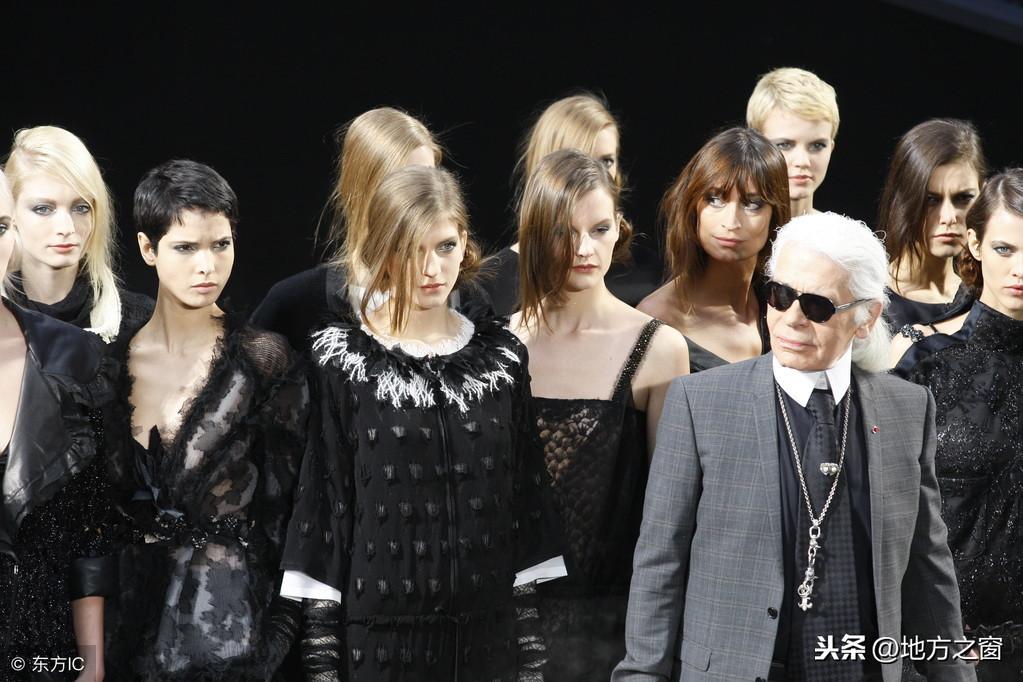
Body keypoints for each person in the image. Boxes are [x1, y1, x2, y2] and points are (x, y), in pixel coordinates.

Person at [614, 212, 974, 682]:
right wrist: (642, 674)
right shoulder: (700, 403)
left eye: (818, 306)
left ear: (866, 318)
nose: (791, 319)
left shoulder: (908, 408)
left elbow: (927, 566)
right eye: (780, 296)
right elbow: (660, 560)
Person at [280, 165, 563, 680]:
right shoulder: (341, 361)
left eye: (446, 246)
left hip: (489, 642)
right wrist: (322, 664)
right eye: (411, 249)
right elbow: (323, 510)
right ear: (383, 251)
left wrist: (531, 660)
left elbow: (523, 504)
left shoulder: (502, 359)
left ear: (465, 244)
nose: (431, 268)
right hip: (380, 646)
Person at [103, 160, 307, 680]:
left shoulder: (264, 361)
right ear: (148, 249)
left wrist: (278, 638)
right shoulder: (107, 365)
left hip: (233, 640)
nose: (207, 266)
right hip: (126, 638)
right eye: (185, 247)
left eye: (221, 244)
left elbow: (296, 511)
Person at [511, 149, 689, 679]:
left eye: (599, 229)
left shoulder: (659, 349)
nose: (584, 249)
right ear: (535, 236)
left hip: (613, 631)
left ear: (619, 230)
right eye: (564, 233)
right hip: (505, 626)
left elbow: (669, 518)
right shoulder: (500, 345)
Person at [895, 169, 1023, 680]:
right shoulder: (923, 359)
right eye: (1005, 249)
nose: (1020, 269)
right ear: (974, 243)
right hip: (945, 647)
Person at [0, 169, 115, 680]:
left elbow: (89, 530)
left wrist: (90, 666)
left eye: (0, 227)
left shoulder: (72, 355)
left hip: (42, 652)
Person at [250, 107, 443, 351]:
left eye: (428, 179)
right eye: (401, 182)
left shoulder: (466, 300)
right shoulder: (296, 302)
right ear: (361, 190)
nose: (421, 196)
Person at [480, 92, 660, 314]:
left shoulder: (648, 272)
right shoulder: (490, 284)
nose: (592, 172)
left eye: (606, 161)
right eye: (577, 157)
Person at [638, 127, 790, 372]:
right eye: (715, 199)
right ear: (693, 206)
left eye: (752, 204)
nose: (731, 222)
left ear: (775, 213)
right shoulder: (656, 320)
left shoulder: (785, 303)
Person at [4, 125, 153, 342]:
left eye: (81, 208)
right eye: (43, 209)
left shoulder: (140, 324)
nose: (67, 228)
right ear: (10, 211)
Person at [878, 119, 985, 335]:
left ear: (983, 195)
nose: (949, 217)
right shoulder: (869, 298)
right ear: (903, 199)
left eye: (964, 198)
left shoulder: (987, 297)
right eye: (931, 200)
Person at [747, 67, 840, 218]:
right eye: (784, 145)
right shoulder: (730, 229)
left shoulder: (844, 232)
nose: (802, 162)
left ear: (831, 148)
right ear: (753, 146)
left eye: (817, 145)